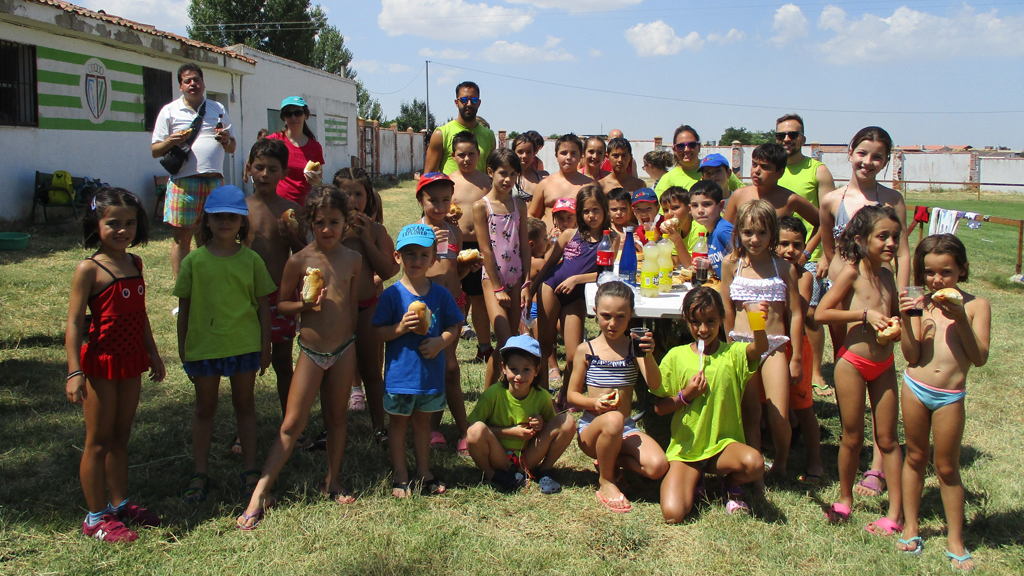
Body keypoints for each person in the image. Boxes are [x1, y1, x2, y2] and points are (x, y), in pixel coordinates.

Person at [236, 185, 361, 529]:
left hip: (344, 349)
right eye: (320, 222)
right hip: (310, 350)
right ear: (309, 222)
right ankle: (260, 491)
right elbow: (282, 303)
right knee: (292, 424)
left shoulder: (353, 260)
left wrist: (352, 343)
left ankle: (332, 480)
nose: (327, 229)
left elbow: (350, 307)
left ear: (345, 224)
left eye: (334, 222)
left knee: (337, 419)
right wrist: (304, 305)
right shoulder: (300, 259)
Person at [65, 189, 164, 542]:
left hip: (131, 362)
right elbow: (76, 323)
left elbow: (140, 314)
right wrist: (75, 371)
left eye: (130, 223)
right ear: (97, 223)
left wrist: (152, 352)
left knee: (121, 437)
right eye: (113, 223)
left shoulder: (135, 263)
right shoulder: (89, 269)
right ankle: (95, 517)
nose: (123, 230)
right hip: (101, 365)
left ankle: (120, 505)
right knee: (98, 441)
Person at [819, 127, 911, 494]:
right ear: (850, 152)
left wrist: (901, 302)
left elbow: (903, 253)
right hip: (843, 299)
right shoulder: (831, 199)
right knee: (849, 370)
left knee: (880, 368)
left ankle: (877, 464)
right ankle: (851, 444)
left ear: (886, 161)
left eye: (877, 157)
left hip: (880, 296)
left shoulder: (893, 200)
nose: (868, 162)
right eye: (862, 153)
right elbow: (829, 250)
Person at [173, 185, 274, 504]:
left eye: (233, 217)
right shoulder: (193, 262)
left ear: (243, 222)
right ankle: (200, 472)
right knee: (205, 409)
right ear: (207, 221)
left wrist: (266, 346)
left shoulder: (253, 261)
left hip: (244, 347)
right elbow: (184, 310)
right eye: (218, 217)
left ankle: (249, 471)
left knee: (245, 407)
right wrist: (183, 349)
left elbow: (263, 308)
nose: (225, 222)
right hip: (204, 348)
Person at [897, 235, 989, 571]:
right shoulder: (920, 302)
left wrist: (961, 318)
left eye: (946, 272)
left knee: (947, 467)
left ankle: (955, 538)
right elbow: (911, 354)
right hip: (915, 387)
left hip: (950, 395)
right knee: (916, 457)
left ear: (962, 270)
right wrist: (907, 319)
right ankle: (911, 525)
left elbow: (979, 358)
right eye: (930, 272)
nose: (937, 280)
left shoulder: (977, 306)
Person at [815, 205, 905, 534]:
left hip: (884, 363)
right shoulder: (852, 273)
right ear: (861, 239)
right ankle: (844, 498)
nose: (891, 243)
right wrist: (863, 316)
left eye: (895, 237)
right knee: (852, 438)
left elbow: (892, 311)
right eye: (883, 236)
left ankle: (895, 512)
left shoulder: (888, 275)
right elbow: (822, 314)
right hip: (851, 363)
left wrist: (899, 318)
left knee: (889, 440)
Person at [655, 287, 769, 522]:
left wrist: (757, 320)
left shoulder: (733, 354)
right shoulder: (676, 357)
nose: (703, 329)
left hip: (722, 447)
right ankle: (696, 478)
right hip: (688, 449)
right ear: (686, 321)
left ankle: (730, 482)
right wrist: (685, 395)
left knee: (755, 464)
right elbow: (659, 408)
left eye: (710, 321)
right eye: (696, 322)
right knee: (673, 514)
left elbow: (760, 348)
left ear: (722, 320)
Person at [373, 224, 465, 498]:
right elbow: (376, 332)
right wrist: (400, 328)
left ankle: (424, 472)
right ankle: (401, 475)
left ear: (433, 259)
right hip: (401, 377)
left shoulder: (440, 295)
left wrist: (441, 342)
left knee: (423, 425)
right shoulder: (392, 295)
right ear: (397, 257)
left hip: (429, 378)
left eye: (423, 255)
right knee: (399, 425)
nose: (416, 260)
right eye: (409, 254)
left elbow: (455, 325)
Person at [567, 281, 668, 512]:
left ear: (631, 315)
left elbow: (655, 385)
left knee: (658, 466)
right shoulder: (587, 349)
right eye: (606, 316)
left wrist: (649, 354)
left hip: (625, 427)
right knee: (613, 418)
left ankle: (609, 460)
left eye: (620, 317)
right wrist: (594, 403)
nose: (612, 324)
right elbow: (572, 396)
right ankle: (606, 479)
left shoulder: (634, 348)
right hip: (593, 428)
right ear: (595, 311)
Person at [721, 201, 804, 481]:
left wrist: (796, 357)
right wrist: (728, 346)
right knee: (749, 411)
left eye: (762, 233)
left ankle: (781, 462)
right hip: (742, 345)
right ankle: (754, 462)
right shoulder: (732, 264)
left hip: (774, 344)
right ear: (738, 234)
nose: (754, 239)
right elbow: (727, 311)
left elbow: (795, 313)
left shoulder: (782, 267)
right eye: (747, 232)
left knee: (779, 412)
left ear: (772, 234)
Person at [243, 138, 309, 451]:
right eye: (260, 167)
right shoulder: (239, 209)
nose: (265, 174)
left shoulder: (290, 211)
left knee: (283, 362)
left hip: (279, 298)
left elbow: (303, 255)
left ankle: (290, 424)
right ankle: (244, 428)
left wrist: (293, 238)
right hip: (244, 299)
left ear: (283, 174)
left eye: (273, 169)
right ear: (248, 169)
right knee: (244, 365)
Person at [532, 185, 618, 405]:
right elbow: (549, 265)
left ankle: (565, 396)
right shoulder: (571, 234)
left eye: (596, 210)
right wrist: (530, 289)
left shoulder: (611, 239)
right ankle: (542, 395)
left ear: (605, 209)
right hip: (551, 287)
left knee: (574, 354)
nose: (591, 216)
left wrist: (577, 279)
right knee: (545, 344)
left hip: (575, 294)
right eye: (586, 211)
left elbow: (604, 273)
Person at [151, 63, 236, 280]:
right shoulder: (169, 111)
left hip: (215, 183)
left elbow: (232, 147)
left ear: (203, 83)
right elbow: (155, 151)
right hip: (183, 183)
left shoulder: (218, 109)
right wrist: (171, 140)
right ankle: (183, 290)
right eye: (187, 80)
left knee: (212, 236)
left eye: (196, 79)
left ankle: (208, 284)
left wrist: (226, 140)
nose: (193, 84)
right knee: (182, 238)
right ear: (180, 86)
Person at [774, 113, 837, 398]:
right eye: (782, 135)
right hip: (777, 249)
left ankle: (815, 372)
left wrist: (818, 253)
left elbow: (829, 216)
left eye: (793, 134)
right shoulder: (773, 168)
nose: (787, 139)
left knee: (810, 314)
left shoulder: (817, 170)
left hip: (806, 249)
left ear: (803, 138)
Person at [416, 172, 478, 454]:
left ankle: (440, 427)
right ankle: (448, 427)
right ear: (420, 200)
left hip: (455, 300)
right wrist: (428, 245)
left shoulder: (455, 231)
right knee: (443, 367)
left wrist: (468, 267)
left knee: (448, 366)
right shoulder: (415, 232)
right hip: (428, 305)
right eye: (433, 200)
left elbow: (455, 270)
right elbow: (414, 273)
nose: (440, 207)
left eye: (445, 200)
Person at [466, 334, 575, 494]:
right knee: (475, 431)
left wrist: (541, 424)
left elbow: (552, 427)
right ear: (504, 368)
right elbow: (472, 428)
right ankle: (493, 475)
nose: (519, 376)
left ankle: (544, 471)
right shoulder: (493, 394)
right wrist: (510, 432)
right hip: (499, 457)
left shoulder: (542, 396)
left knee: (568, 421)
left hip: (529, 456)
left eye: (526, 369)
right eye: (513, 369)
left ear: (537, 370)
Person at [335, 168, 397, 442]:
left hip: (367, 306)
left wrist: (366, 239)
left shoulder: (377, 230)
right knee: (333, 371)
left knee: (371, 370)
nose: (351, 199)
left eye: (357, 193)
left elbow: (386, 270)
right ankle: (334, 427)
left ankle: (379, 426)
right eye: (345, 193)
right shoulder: (329, 228)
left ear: (368, 197)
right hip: (333, 310)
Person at [474, 149, 530, 387]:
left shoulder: (519, 205)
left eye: (513, 174)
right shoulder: (481, 206)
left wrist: (526, 283)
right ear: (490, 172)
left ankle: (499, 392)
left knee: (510, 342)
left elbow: (525, 247)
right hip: (492, 279)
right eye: (502, 173)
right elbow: (486, 250)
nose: (508, 179)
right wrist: (498, 288)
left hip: (516, 278)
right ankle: (488, 396)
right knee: (506, 340)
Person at [775, 216, 824, 484]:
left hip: (796, 348)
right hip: (771, 347)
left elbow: (799, 312)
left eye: (796, 245)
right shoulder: (767, 271)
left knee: (803, 406)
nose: (789, 250)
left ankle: (815, 460)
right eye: (783, 244)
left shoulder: (804, 276)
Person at [450, 131, 495, 362]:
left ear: (479, 154)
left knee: (478, 298)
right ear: (453, 155)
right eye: (461, 155)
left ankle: (484, 346)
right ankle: (449, 346)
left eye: (471, 154)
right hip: (454, 246)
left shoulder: (487, 182)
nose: (466, 159)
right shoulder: (448, 182)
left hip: (479, 246)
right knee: (456, 297)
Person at [722, 144, 820, 237]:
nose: (757, 171)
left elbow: (822, 222)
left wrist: (806, 252)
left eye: (764, 167)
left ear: (779, 173)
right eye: (754, 164)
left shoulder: (789, 199)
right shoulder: (739, 195)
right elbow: (724, 232)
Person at [424, 81, 496, 175]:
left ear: (479, 103)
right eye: (464, 100)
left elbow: (492, 174)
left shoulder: (489, 136)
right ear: (456, 102)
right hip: (451, 189)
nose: (469, 104)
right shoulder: (441, 134)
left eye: (473, 100)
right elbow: (428, 177)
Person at [654, 125, 742, 199]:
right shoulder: (668, 180)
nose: (687, 149)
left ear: (699, 146)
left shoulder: (718, 169)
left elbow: (745, 194)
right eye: (680, 146)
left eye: (692, 145)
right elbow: (659, 213)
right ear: (674, 150)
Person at [266, 96, 325, 207]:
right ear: (284, 117)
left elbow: (320, 182)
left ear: (305, 115)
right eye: (288, 114)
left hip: (304, 207)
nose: (293, 117)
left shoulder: (315, 147)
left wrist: (317, 182)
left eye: (298, 113)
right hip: (278, 206)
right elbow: (255, 152)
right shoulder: (275, 140)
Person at [529, 134, 593, 228]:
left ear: (581, 156)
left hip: (581, 241)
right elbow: (532, 215)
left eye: (573, 153)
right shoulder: (545, 184)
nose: (568, 157)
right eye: (564, 153)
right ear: (556, 156)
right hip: (549, 241)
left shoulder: (590, 185)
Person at [688, 181, 734, 279]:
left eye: (707, 204)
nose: (700, 210)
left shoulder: (723, 230)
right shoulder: (711, 233)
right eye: (695, 205)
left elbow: (745, 261)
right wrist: (709, 265)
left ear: (720, 206)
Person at [511, 133, 549, 203]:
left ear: (534, 154)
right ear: (513, 153)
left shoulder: (542, 178)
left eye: (528, 152)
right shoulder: (507, 178)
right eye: (520, 152)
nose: (524, 156)